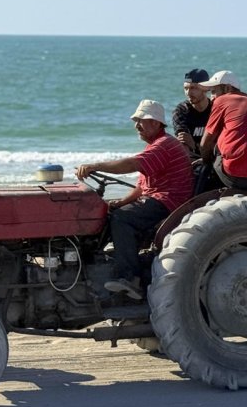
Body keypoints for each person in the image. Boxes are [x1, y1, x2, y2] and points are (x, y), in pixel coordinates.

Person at [75, 99, 194, 298]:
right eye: (135, 121)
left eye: (142, 120)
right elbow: (142, 186)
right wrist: (121, 202)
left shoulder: (163, 145)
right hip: (158, 198)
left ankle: (130, 278)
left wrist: (95, 166)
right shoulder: (155, 147)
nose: (137, 125)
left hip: (169, 202)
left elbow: (131, 165)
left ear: (156, 123)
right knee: (114, 211)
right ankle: (101, 262)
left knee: (122, 218)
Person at [173, 68, 223, 194]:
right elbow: (183, 141)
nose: (189, 93)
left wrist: (195, 146)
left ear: (205, 88)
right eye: (186, 88)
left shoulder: (215, 110)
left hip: (214, 159)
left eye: (194, 88)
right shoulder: (181, 111)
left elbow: (221, 143)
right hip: (192, 161)